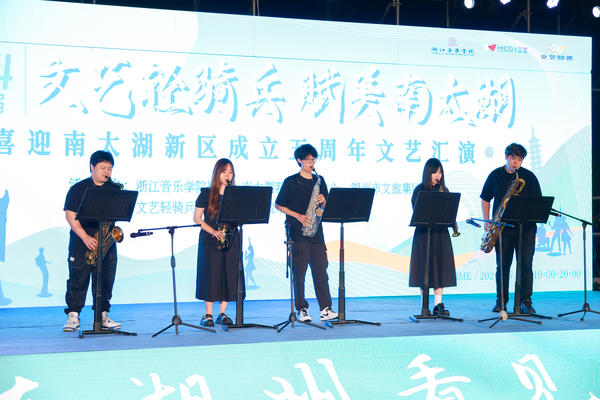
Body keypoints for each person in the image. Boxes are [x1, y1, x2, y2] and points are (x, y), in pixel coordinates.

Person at [275, 144, 338, 322]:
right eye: (308, 160)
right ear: (299, 160)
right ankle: (301, 309)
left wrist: (324, 201)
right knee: (299, 274)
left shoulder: (319, 180)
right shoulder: (290, 181)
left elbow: (327, 207)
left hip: (317, 233)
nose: (311, 163)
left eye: (313, 160)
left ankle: (325, 309)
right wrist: (297, 216)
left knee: (321, 272)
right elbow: (278, 204)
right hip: (297, 233)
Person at [63, 150, 121, 332]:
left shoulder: (114, 189)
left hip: (106, 240)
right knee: (78, 278)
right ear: (92, 167)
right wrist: (85, 237)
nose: (107, 172)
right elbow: (70, 215)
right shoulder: (78, 189)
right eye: (103, 168)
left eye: (109, 168)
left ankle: (102, 315)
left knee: (106, 278)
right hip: (82, 240)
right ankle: (73, 316)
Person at [480, 143, 542, 314]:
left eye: (519, 160)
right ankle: (501, 301)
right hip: (503, 229)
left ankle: (525, 301)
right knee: (503, 266)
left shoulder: (529, 177)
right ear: (506, 157)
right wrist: (487, 220)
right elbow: (485, 198)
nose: (516, 163)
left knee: (526, 265)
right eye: (513, 158)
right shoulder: (495, 175)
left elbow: (538, 202)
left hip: (526, 228)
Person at [193, 158, 241, 326]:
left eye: (231, 172)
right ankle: (208, 314)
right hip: (210, 238)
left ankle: (222, 313)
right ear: (217, 174)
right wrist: (213, 231)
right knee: (211, 275)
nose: (228, 175)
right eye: (224, 172)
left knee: (229, 273)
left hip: (231, 237)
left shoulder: (235, 195)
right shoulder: (206, 194)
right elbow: (197, 218)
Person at [408, 158, 458, 316]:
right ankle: (425, 305)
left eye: (440, 172)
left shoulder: (444, 190)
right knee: (425, 267)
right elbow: (417, 211)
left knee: (440, 267)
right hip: (424, 234)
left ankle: (438, 305)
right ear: (428, 173)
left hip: (440, 233)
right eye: (435, 172)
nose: (438, 176)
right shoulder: (420, 190)